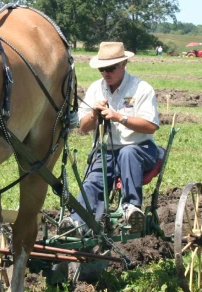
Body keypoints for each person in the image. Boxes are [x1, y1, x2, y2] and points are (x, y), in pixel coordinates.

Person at [66, 42, 160, 234]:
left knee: (127, 152)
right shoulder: (95, 89)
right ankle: (77, 223)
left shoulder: (141, 88)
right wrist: (94, 115)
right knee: (92, 181)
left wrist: (120, 117)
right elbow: (83, 127)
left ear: (124, 64)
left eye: (110, 68)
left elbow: (151, 126)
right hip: (105, 150)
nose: (105, 73)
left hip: (140, 148)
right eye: (102, 69)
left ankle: (131, 209)